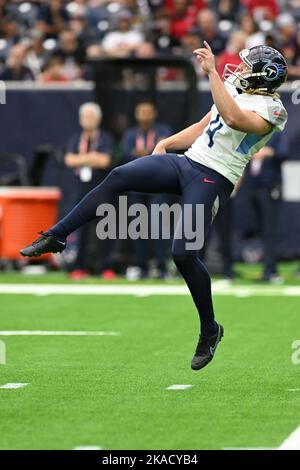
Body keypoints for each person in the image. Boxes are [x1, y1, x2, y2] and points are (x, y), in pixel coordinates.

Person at [20, 43, 288, 371]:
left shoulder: (273, 109)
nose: (241, 70)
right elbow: (207, 124)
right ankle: (56, 236)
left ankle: (209, 329)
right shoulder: (234, 86)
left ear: (265, 76)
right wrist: (167, 142)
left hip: (214, 178)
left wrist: (213, 73)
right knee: (119, 176)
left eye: (247, 67)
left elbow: (232, 118)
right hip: (187, 163)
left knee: (183, 253)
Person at [62, 102, 114, 279]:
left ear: (98, 119)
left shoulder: (105, 138)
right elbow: (69, 160)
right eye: (85, 116)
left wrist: (82, 159)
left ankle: (105, 266)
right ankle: (80, 266)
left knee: (104, 227)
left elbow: (105, 161)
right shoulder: (76, 139)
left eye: (91, 116)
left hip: (101, 187)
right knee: (81, 228)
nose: (88, 120)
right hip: (81, 189)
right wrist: (92, 157)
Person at [122, 101, 172, 278]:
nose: (144, 115)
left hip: (157, 185)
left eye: (147, 112)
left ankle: (162, 267)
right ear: (136, 115)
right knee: (138, 227)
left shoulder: (163, 131)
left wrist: (144, 153)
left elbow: (166, 151)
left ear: (154, 114)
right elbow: (126, 155)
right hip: (137, 186)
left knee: (159, 226)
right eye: (141, 112)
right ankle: (141, 266)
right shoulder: (130, 134)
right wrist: (147, 153)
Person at [237, 132, 290, 282]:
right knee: (260, 229)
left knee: (269, 229)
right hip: (253, 186)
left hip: (269, 186)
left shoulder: (277, 134)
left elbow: (284, 153)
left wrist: (269, 152)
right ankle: (266, 268)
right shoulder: (251, 135)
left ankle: (271, 271)